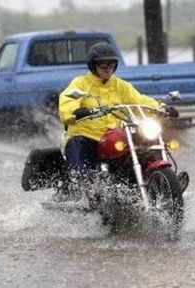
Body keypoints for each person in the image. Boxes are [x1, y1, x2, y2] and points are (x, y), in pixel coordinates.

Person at [59, 42, 176, 197]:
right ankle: (79, 190)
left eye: (111, 63)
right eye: (103, 64)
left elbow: (138, 100)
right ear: (93, 65)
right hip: (86, 134)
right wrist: (76, 111)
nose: (107, 67)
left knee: (143, 143)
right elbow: (67, 101)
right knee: (77, 144)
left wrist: (160, 107)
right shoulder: (80, 83)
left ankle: (163, 181)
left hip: (113, 135)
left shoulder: (120, 85)